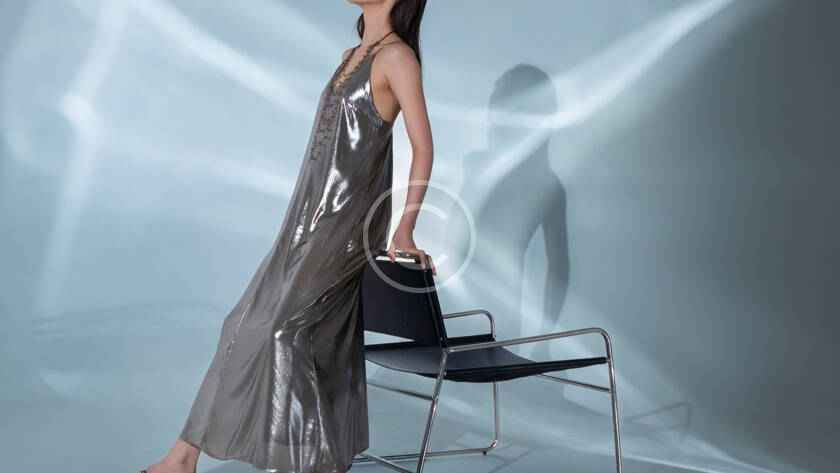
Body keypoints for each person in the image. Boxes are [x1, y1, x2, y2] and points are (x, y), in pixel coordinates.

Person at [139, 1, 433, 472]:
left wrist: (405, 227)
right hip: (303, 223)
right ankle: (182, 458)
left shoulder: (396, 58)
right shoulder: (351, 56)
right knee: (239, 325)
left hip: (344, 229)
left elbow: (423, 146)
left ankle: (308, 462)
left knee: (283, 333)